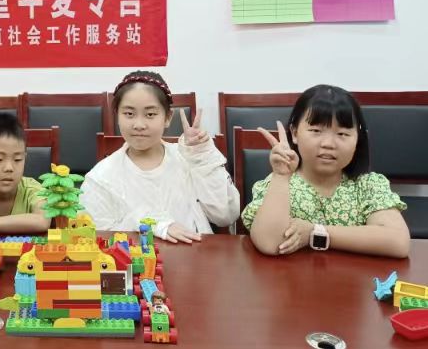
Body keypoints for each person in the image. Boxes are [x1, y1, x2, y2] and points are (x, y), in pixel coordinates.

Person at [243, 85, 409, 258]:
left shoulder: (368, 185)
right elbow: (269, 244)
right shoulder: (277, 183)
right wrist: (281, 176)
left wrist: (316, 233)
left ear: (357, 139)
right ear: (294, 133)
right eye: (316, 131)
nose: (328, 144)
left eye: (342, 134)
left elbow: (398, 242)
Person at [80, 70, 239, 242]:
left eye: (150, 114)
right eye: (129, 114)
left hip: (196, 253)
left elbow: (226, 215)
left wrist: (201, 156)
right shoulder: (101, 177)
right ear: (117, 115)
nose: (139, 125)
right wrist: (149, 222)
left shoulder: (188, 158)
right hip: (133, 257)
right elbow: (94, 237)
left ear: (168, 117)